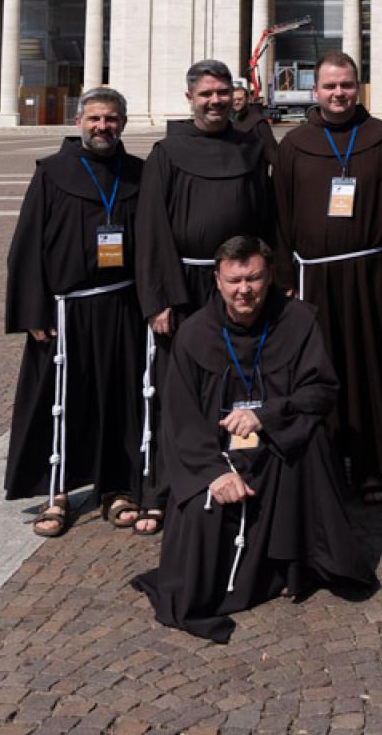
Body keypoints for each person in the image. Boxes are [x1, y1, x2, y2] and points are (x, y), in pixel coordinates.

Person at [131, 234, 378, 643]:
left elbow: (321, 391)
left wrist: (266, 416)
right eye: (234, 280)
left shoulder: (298, 320)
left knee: (312, 443)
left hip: (278, 442)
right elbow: (180, 420)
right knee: (200, 532)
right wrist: (213, 474)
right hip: (215, 455)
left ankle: (296, 564)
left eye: (253, 278)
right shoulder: (194, 334)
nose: (244, 289)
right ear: (217, 280)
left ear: (270, 277)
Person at [3, 87, 153, 537]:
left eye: (111, 119)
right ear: (79, 122)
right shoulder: (52, 173)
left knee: (121, 399)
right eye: (94, 119)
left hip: (122, 305)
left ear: (123, 123)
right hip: (65, 311)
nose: (102, 127)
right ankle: (58, 492)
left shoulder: (139, 173)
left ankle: (118, 487)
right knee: (59, 402)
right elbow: (27, 243)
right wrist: (33, 310)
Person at [136, 59, 278, 529]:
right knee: (176, 389)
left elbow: (266, 217)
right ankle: (166, 485)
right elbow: (152, 228)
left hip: (238, 288)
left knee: (240, 380)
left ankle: (241, 470)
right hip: (186, 285)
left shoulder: (249, 147)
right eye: (206, 94)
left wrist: (268, 279)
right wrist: (160, 298)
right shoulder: (166, 153)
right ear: (190, 99)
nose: (215, 101)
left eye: (221, 93)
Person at [272, 51, 382, 504]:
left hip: (371, 274)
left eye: (346, 85)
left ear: (357, 87)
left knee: (372, 369)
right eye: (330, 86)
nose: (339, 93)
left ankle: (373, 467)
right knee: (316, 370)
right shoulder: (294, 144)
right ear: (315, 90)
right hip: (313, 280)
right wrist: (284, 277)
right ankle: (322, 465)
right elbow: (279, 214)